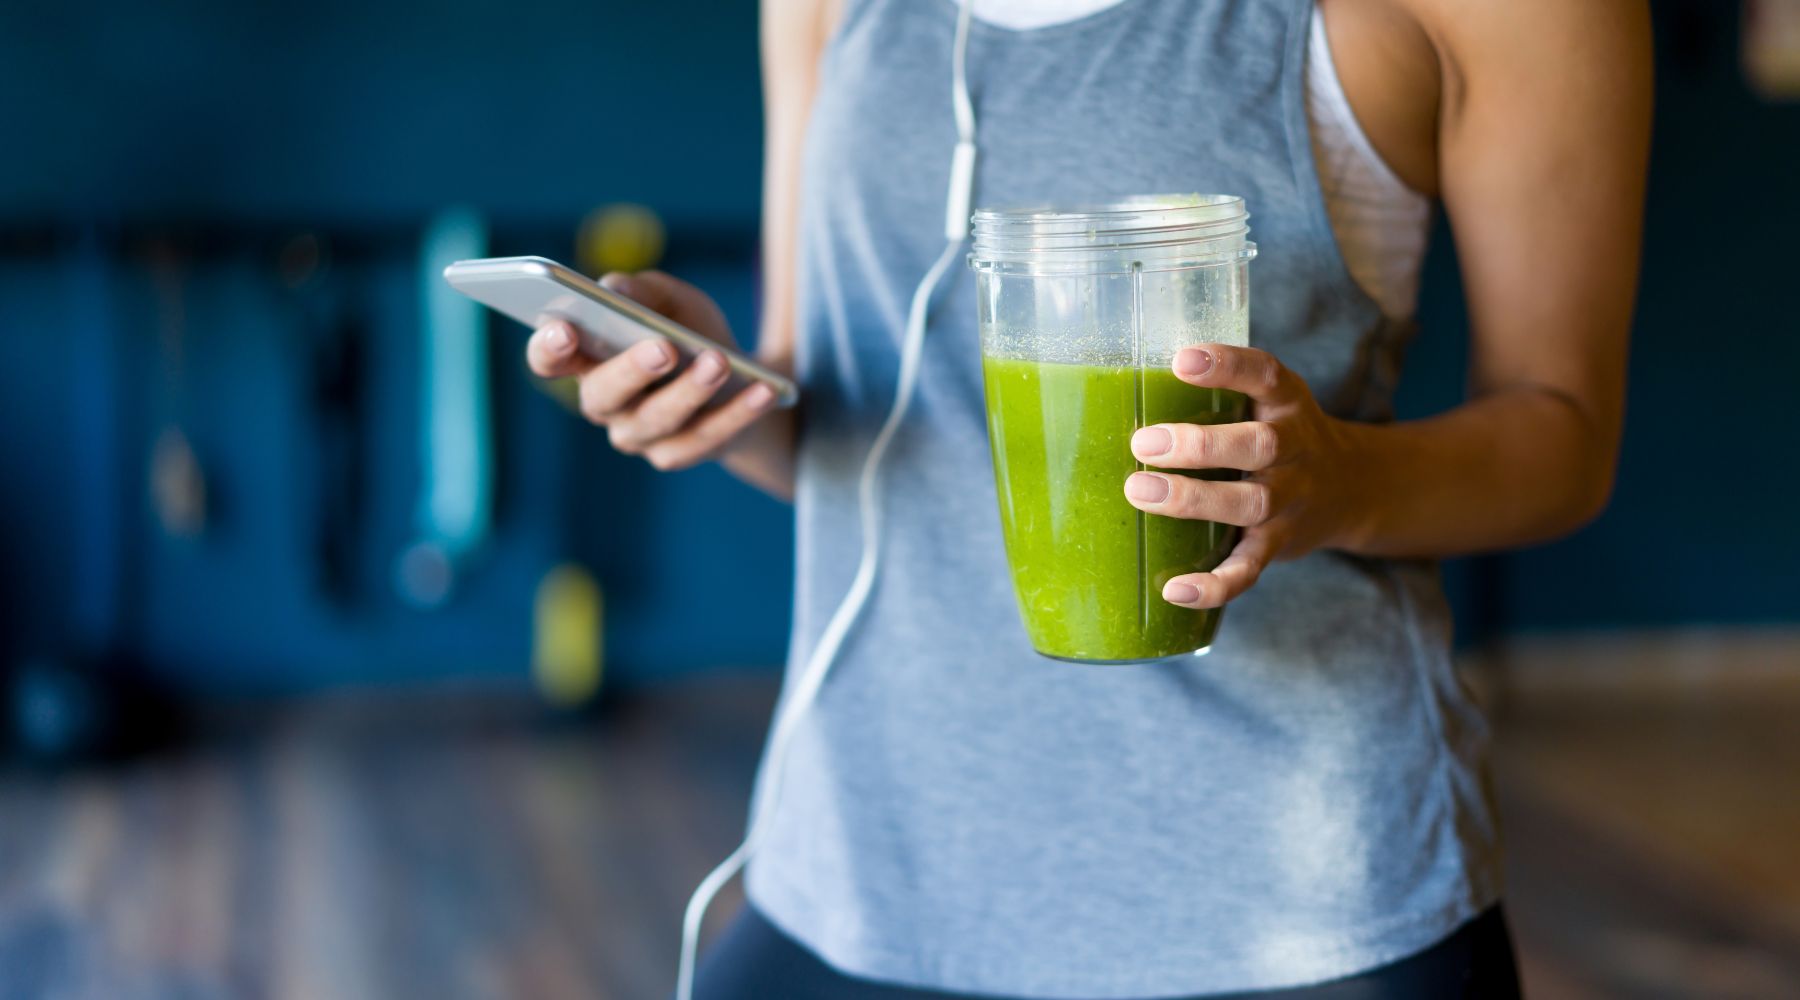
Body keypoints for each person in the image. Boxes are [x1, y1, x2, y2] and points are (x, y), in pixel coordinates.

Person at [526, 0, 1650, 996]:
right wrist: (713, 394)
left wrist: (1337, 481)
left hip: (1283, 898)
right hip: (866, 856)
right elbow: (840, 422)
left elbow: (1564, 432)